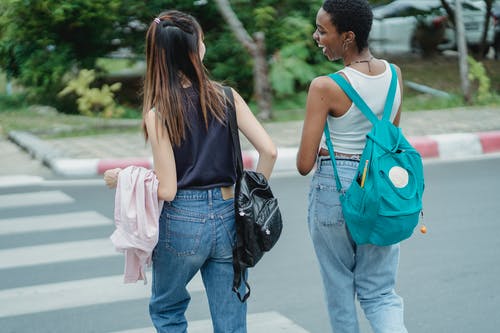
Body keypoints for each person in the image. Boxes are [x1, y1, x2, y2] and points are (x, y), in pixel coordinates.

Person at [104, 10, 276, 333]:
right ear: (195, 49)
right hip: (229, 216)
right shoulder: (226, 97)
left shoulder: (160, 112)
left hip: (182, 218)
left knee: (168, 310)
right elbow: (269, 151)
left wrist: (123, 177)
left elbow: (167, 189)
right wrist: (250, 196)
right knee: (231, 321)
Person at [296, 1, 407, 332]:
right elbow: (389, 138)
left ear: (347, 37)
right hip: (381, 187)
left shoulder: (325, 86)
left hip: (337, 188)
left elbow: (303, 164)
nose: (316, 37)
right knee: (381, 293)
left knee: (340, 290)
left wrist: (323, 149)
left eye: (322, 31)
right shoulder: (394, 74)